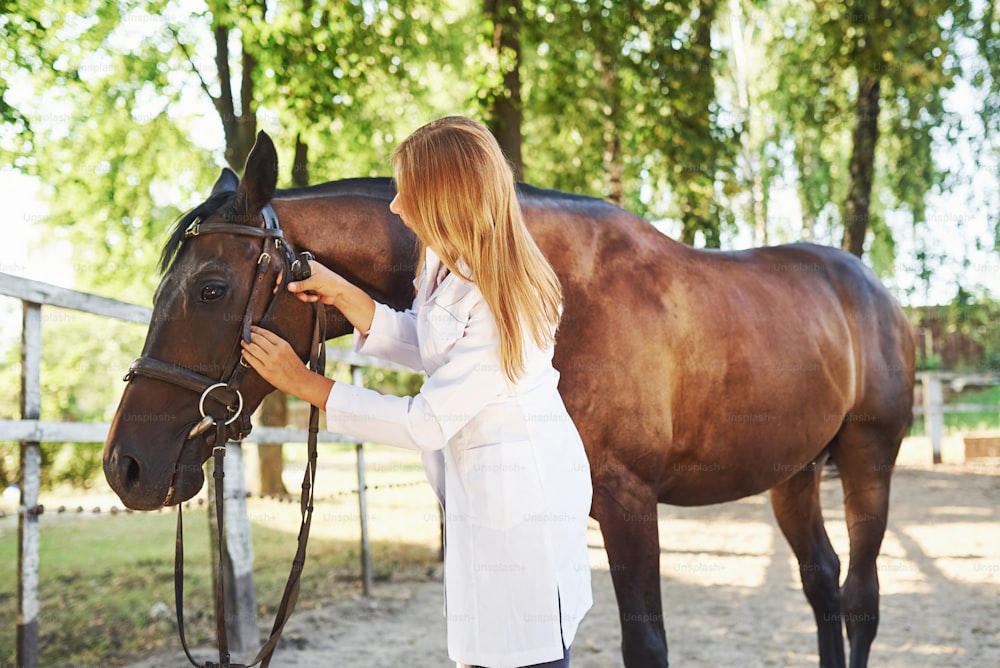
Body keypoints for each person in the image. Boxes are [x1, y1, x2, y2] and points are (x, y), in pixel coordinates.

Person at [241, 115, 593, 668]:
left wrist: (304, 383)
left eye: (409, 191)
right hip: (483, 495)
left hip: (523, 505)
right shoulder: (446, 268)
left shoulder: (504, 300)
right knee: (486, 649)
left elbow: (424, 422)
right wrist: (342, 293)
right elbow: (436, 347)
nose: (396, 206)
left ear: (445, 199)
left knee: (527, 651)